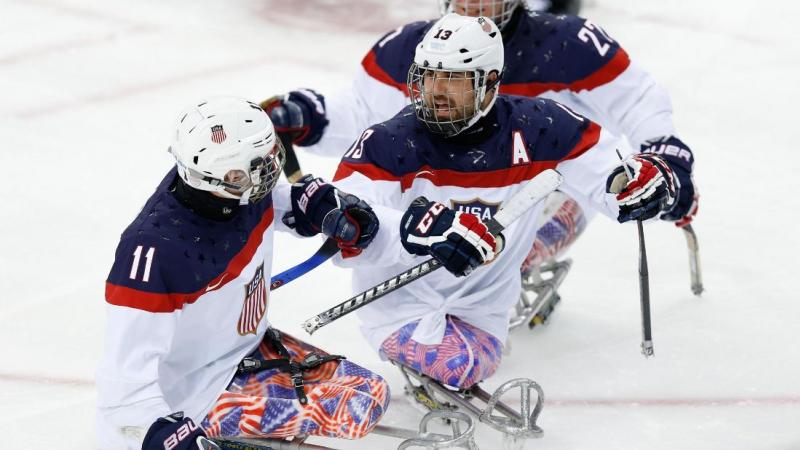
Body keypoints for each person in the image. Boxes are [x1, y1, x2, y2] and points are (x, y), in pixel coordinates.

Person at [263, 0, 698, 322]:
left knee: (499, 238)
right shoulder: (412, 48)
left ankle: (486, 302)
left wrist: (662, 160)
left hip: (540, 197)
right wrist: (312, 117)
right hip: (442, 194)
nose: (474, 5)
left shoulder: (568, 45)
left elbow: (637, 100)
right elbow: (363, 112)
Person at [327, 14, 692, 390]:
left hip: (482, 310)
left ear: (489, 84)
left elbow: (610, 175)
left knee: (473, 360)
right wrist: (411, 231)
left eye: (453, 79)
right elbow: (345, 226)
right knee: (460, 366)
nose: (436, 91)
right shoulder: (386, 142)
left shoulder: (541, 127)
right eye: (427, 76)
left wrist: (642, 181)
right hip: (399, 305)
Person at [96, 97, 388, 449]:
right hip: (197, 394)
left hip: (247, 349)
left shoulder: (229, 190)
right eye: (257, 166)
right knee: (353, 408)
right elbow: (122, 389)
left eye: (268, 158)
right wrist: (164, 437)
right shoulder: (153, 254)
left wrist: (312, 205)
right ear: (223, 176)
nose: (269, 170)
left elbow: (267, 201)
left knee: (371, 395)